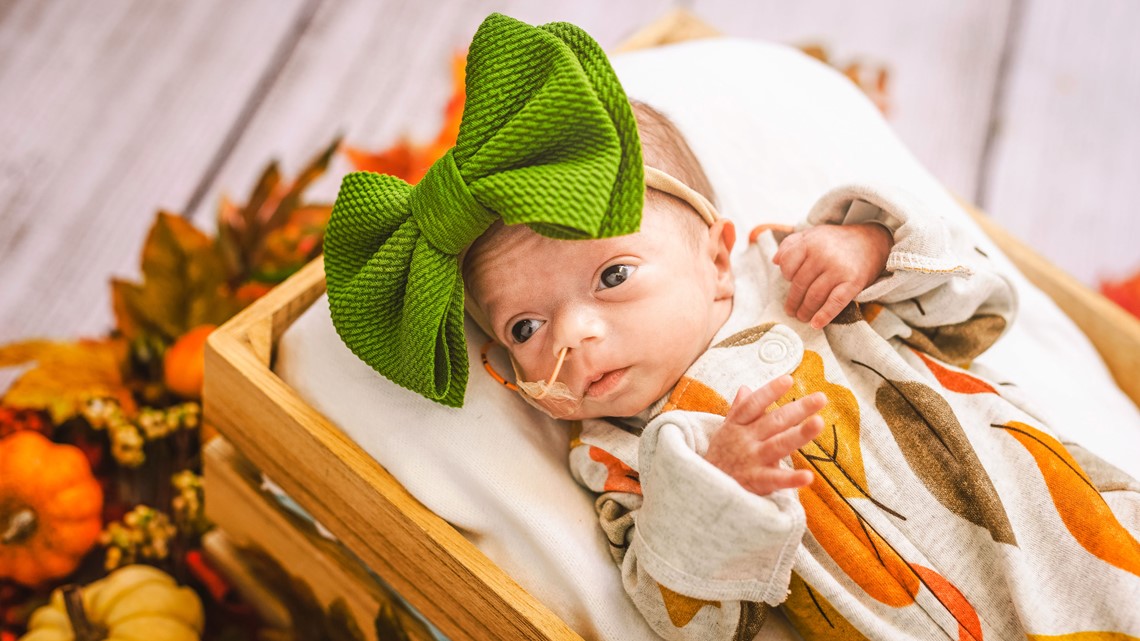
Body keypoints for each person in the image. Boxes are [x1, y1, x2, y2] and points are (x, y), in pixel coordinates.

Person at [324, 13, 1140, 641]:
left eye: (613, 276)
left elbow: (980, 310)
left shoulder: (795, 276)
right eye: (527, 325)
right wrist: (716, 487)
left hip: (1068, 533)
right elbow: (692, 617)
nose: (576, 337)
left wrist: (875, 243)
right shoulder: (619, 456)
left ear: (718, 256)